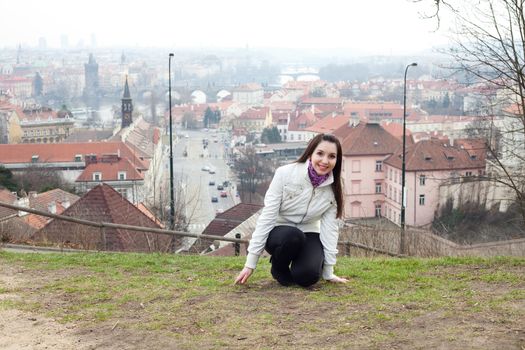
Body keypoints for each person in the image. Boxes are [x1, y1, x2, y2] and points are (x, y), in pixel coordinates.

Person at [235, 133, 348, 287]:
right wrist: (250, 263)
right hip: (279, 232)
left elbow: (330, 228)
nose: (325, 161)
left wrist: (328, 271)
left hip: (309, 231)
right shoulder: (285, 173)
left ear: (337, 160)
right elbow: (267, 217)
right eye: (320, 154)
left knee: (308, 277)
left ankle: (305, 264)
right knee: (293, 236)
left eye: (332, 156)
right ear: (310, 153)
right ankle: (278, 267)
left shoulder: (334, 187)